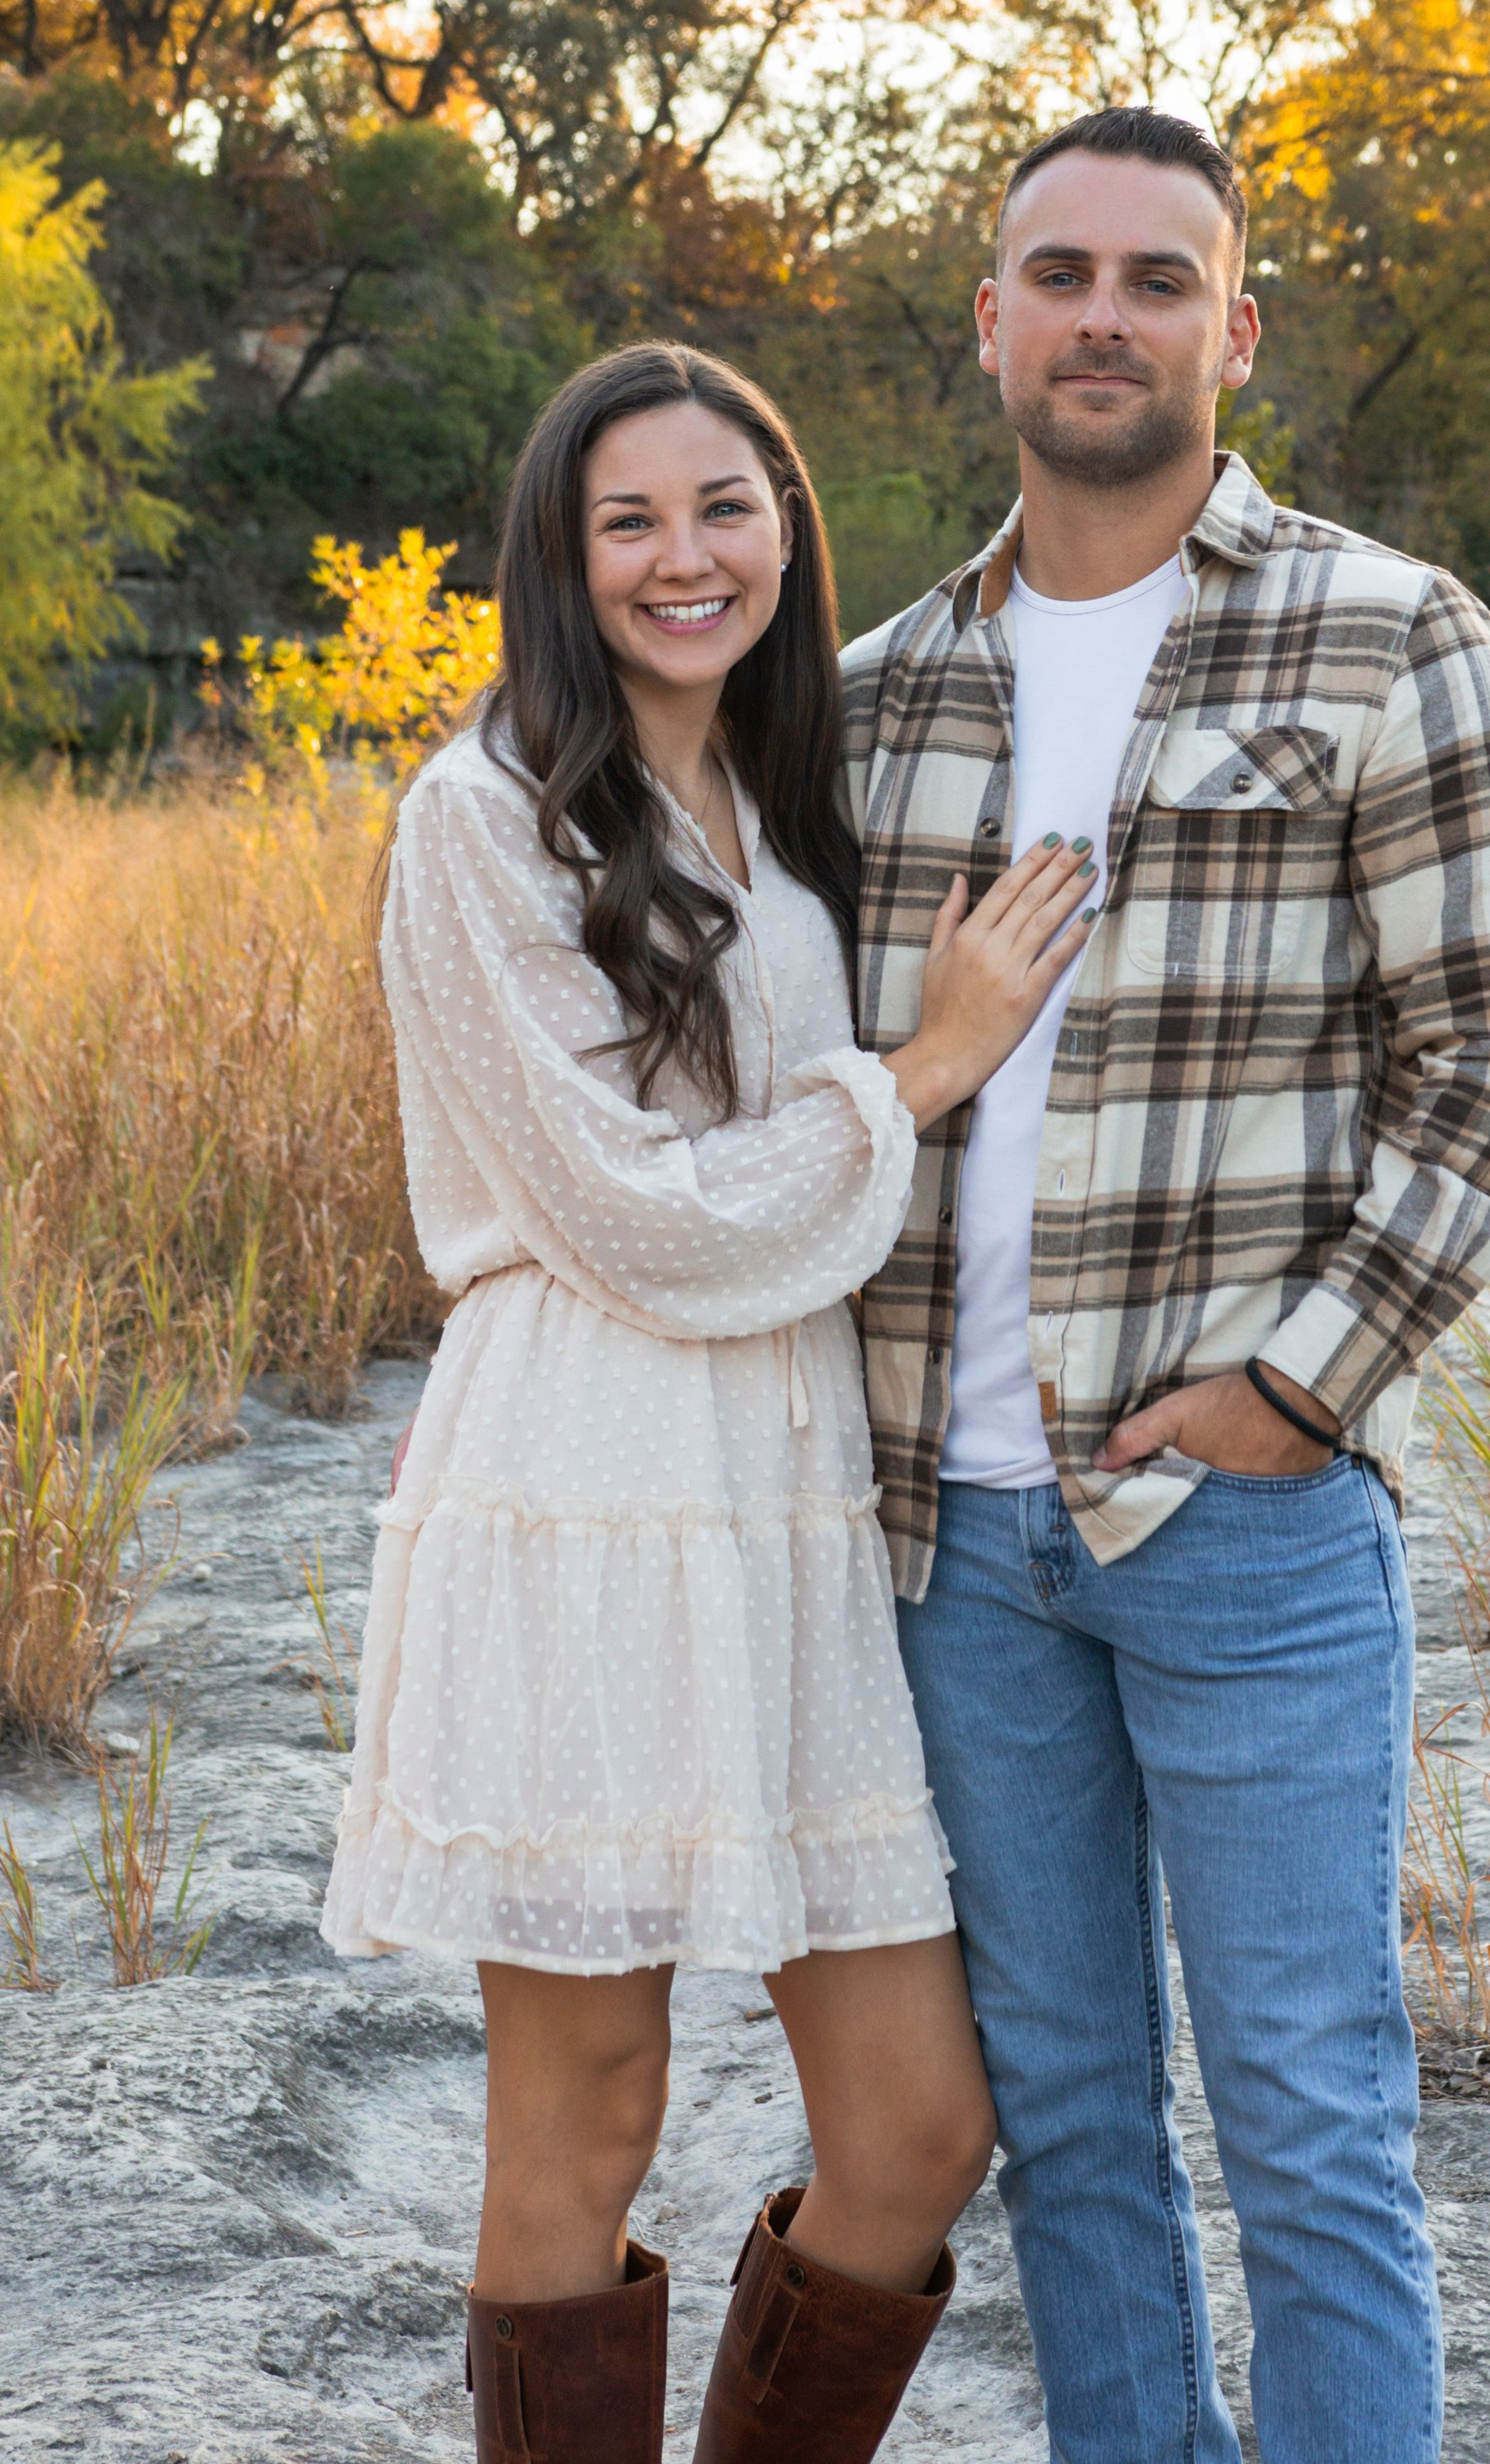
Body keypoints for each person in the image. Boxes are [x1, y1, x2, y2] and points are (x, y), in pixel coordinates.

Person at [841, 107, 1490, 2464]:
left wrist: (1299, 1381)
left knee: (1309, 2119)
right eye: (1055, 273)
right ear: (988, 324)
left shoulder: (1388, 630)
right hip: (954, 1546)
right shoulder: (876, 691)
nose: (1101, 317)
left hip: (1243, 1527)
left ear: (1233, 331)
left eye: (1157, 280)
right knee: (1066, 2115)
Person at [322, 342, 1097, 2464]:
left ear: (788, 530)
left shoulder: (787, 793)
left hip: (786, 1499)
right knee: (585, 2113)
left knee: (917, 2126)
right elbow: (636, 1219)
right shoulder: (481, 813)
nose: (685, 556)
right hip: (582, 1477)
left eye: (725, 508)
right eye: (629, 520)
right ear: (560, 562)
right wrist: (925, 1066)